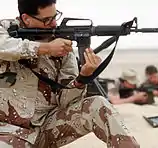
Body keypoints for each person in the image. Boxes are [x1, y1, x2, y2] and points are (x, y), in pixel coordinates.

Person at [0, 0, 140, 148]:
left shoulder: (61, 47)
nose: (54, 24)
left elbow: (66, 102)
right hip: (7, 131)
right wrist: (46, 48)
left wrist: (82, 78)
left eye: (55, 16)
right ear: (26, 18)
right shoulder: (6, 29)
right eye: (47, 20)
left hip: (47, 129)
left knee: (98, 105)